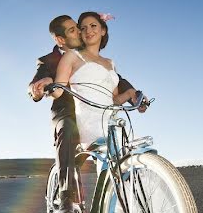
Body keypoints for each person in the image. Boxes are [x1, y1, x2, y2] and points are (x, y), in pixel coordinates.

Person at [28, 15, 140, 213]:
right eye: (74, 30)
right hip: (66, 111)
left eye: (78, 28)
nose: (81, 32)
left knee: (118, 147)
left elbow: (113, 80)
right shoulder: (49, 60)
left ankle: (110, 210)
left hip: (102, 110)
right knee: (68, 129)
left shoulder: (96, 57)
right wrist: (42, 84)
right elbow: (40, 81)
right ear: (60, 39)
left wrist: (133, 93)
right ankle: (66, 196)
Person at [48, 12, 137, 146]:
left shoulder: (110, 63)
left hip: (111, 122)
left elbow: (114, 100)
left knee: (125, 158)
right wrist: (48, 86)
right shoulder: (72, 56)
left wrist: (130, 93)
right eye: (83, 28)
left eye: (93, 25)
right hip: (89, 123)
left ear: (103, 30)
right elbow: (57, 90)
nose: (88, 31)